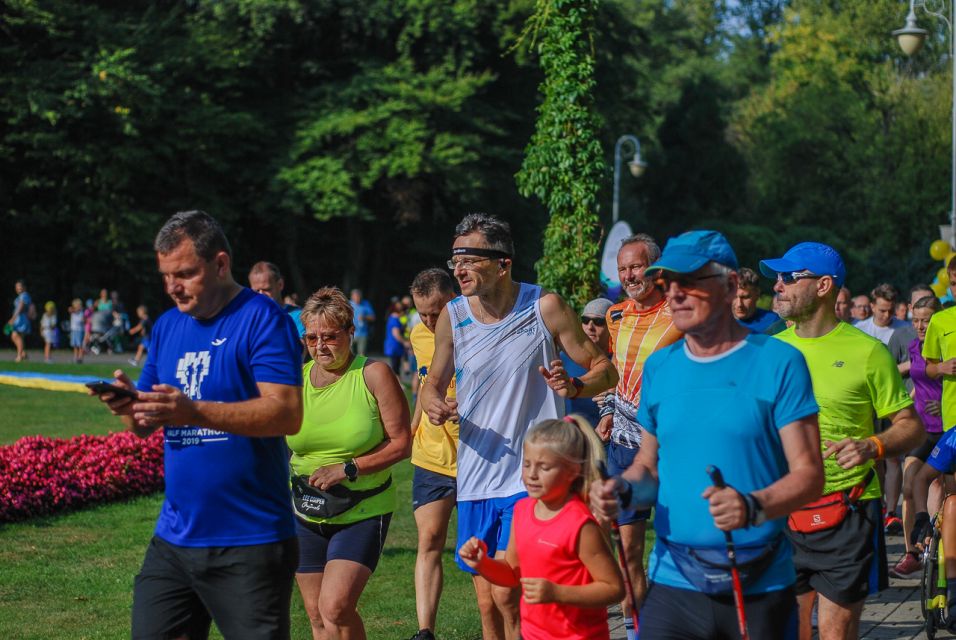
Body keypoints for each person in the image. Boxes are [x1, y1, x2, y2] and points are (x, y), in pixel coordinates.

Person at [590, 230, 824, 640]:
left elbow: (809, 475)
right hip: (673, 579)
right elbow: (647, 466)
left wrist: (753, 505)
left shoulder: (779, 362)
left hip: (758, 582)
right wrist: (623, 491)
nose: (676, 293)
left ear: (731, 285)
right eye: (669, 283)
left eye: (691, 281)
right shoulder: (661, 366)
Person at [91, 210, 304, 639]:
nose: (173, 286)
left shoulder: (262, 317)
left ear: (221, 264)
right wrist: (129, 406)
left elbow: (286, 413)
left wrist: (196, 412)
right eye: (166, 275)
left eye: (185, 273)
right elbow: (146, 422)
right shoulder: (168, 326)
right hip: (174, 540)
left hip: (249, 540)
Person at [421, 213, 618, 640]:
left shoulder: (543, 306)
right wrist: (432, 402)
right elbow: (431, 384)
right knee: (487, 600)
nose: (458, 269)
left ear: (503, 263)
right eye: (455, 259)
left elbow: (606, 370)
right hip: (475, 476)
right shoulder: (453, 315)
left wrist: (577, 384)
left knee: (512, 594)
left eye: (470, 259)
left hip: (532, 476)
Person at [761, 241, 923, 640]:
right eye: (777, 278)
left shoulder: (868, 352)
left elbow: (911, 425)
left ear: (823, 286)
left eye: (789, 277)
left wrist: (874, 445)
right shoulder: (770, 349)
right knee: (789, 630)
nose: (778, 285)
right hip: (781, 508)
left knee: (836, 632)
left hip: (847, 508)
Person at [288, 286, 411, 640]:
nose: (320, 346)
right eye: (311, 337)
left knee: (336, 607)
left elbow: (402, 443)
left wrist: (348, 468)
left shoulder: (373, 375)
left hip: (362, 509)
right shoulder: (295, 381)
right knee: (316, 616)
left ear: (350, 334)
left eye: (330, 336)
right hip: (304, 511)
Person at [459, 416, 625, 640]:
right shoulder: (522, 510)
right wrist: (483, 563)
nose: (532, 474)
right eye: (527, 464)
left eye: (543, 467)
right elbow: (511, 573)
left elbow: (613, 588)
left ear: (572, 471)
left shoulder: (580, 524)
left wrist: (558, 593)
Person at [597, 233, 683, 638]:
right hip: (624, 447)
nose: (630, 275)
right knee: (628, 549)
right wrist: (609, 412)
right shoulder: (615, 315)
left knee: (676, 544)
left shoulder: (680, 312)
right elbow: (615, 375)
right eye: (623, 269)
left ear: (655, 268)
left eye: (636, 266)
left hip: (671, 449)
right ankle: (636, 631)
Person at [406, 268, 459, 640]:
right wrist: (411, 428)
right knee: (428, 541)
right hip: (431, 454)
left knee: (484, 551)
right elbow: (423, 384)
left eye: (436, 311)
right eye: (422, 313)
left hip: (481, 455)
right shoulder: (417, 334)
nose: (428, 320)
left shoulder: (477, 328)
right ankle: (425, 631)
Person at [890, 295, 945, 578]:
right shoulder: (913, 347)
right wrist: (908, 403)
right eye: (917, 320)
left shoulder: (948, 346)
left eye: (927, 319)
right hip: (922, 427)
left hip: (947, 428)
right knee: (909, 485)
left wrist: (946, 402)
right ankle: (912, 551)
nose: (921, 325)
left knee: (939, 487)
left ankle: (937, 548)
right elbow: (919, 384)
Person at [560, 298, 612, 427]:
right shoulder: (564, 358)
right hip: (571, 437)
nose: (590, 327)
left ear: (612, 325)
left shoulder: (620, 363)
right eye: (585, 320)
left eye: (598, 322)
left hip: (608, 440)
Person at [248, 261, 305, 339]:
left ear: (280, 284)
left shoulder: (298, 316)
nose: (261, 295)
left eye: (267, 289)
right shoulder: (248, 320)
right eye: (256, 291)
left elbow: (301, 350)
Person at [733, 267, 785, 334]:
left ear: (757, 294)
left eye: (745, 297)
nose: (739, 304)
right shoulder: (718, 323)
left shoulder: (774, 322)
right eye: (734, 297)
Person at [7, 279, 32, 362]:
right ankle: (22, 353)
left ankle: (19, 356)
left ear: (24, 287)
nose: (18, 289)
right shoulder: (21, 296)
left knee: (16, 336)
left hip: (21, 319)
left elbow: (20, 307)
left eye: (20, 287)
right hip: (19, 318)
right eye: (17, 287)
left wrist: (13, 318)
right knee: (19, 337)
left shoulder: (24, 295)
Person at [384, 299, 408, 375]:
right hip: (394, 346)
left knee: (396, 366)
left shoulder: (392, 318)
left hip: (393, 345)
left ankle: (399, 383)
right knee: (395, 367)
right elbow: (396, 334)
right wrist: (404, 342)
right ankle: (398, 383)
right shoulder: (394, 319)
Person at [350, 289, 375, 356]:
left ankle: (360, 366)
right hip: (350, 333)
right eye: (356, 296)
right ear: (352, 297)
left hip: (363, 334)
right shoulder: (349, 304)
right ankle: (351, 366)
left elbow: (373, 317)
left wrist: (364, 317)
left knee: (362, 355)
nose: (358, 298)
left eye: (359, 296)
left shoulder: (366, 304)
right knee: (349, 354)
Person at [68, 298, 84, 364]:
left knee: (79, 345)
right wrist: (74, 310)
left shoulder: (81, 313)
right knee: (75, 345)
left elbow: (81, 320)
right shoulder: (73, 312)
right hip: (73, 330)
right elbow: (69, 309)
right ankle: (75, 357)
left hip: (79, 330)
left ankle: (80, 358)